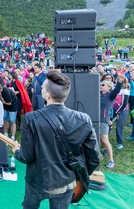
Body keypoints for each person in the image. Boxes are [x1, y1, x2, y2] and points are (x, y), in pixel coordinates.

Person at [12, 71, 100, 209]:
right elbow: (94, 158)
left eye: (42, 87)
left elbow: (26, 156)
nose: (40, 88)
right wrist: (78, 176)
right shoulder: (84, 119)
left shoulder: (31, 118)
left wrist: (17, 151)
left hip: (36, 180)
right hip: (66, 180)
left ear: (47, 95)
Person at [99, 78, 122, 169]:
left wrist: (119, 82)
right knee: (97, 138)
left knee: (104, 139)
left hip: (103, 120)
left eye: (103, 85)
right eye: (101, 84)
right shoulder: (98, 95)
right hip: (95, 119)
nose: (101, 85)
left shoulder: (110, 95)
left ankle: (111, 160)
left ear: (109, 87)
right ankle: (99, 154)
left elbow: (116, 90)